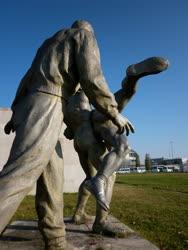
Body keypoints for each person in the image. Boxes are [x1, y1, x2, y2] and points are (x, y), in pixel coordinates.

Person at [0, 20, 134, 249]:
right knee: (20, 174)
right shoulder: (83, 36)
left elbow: (26, 78)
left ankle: (56, 239)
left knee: (53, 176)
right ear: (87, 30)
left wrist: (16, 112)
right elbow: (92, 78)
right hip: (49, 103)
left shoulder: (48, 44)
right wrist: (114, 113)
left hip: (34, 104)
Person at [64, 57, 169, 235]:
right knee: (107, 176)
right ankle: (100, 223)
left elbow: (68, 131)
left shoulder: (65, 96)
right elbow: (100, 96)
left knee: (89, 177)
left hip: (80, 137)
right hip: (94, 121)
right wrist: (113, 114)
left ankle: (78, 214)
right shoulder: (82, 87)